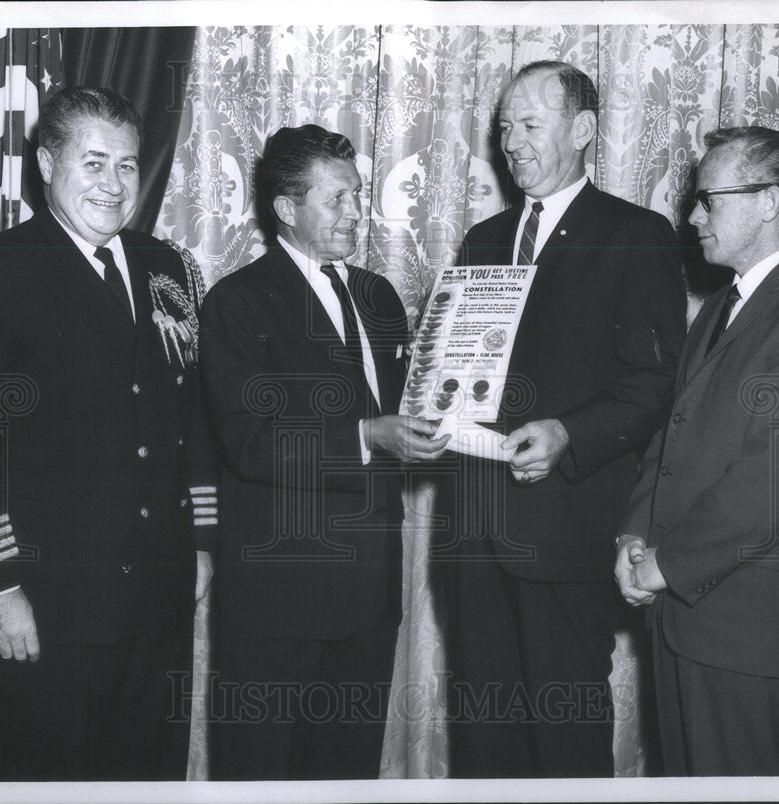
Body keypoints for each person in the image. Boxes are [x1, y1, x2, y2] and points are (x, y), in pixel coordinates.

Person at [0, 86, 214, 780]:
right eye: (95, 162)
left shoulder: (171, 269)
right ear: (48, 163)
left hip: (160, 595)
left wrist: (200, 543)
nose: (114, 185)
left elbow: (193, 415)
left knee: (151, 779)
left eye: (129, 165)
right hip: (48, 604)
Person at [432, 60, 688, 777]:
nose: (512, 142)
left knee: (563, 733)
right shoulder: (484, 240)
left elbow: (656, 380)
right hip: (474, 532)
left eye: (529, 124)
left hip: (566, 530)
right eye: (505, 126)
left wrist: (569, 432)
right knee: (483, 735)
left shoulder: (636, 234)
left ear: (583, 130)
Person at [198, 124, 449, 780]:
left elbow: (407, 415)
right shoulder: (238, 303)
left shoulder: (378, 296)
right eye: (336, 199)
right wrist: (368, 437)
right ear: (288, 209)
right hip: (278, 598)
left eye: (358, 196)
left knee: (347, 776)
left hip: (367, 595)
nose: (355, 212)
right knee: (261, 776)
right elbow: (251, 446)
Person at [614, 126, 779, 776]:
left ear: (770, 200)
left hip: (748, 639)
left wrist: (664, 565)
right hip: (684, 622)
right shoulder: (721, 306)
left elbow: (769, 487)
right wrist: (633, 537)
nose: (693, 216)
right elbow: (669, 441)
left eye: (709, 199)